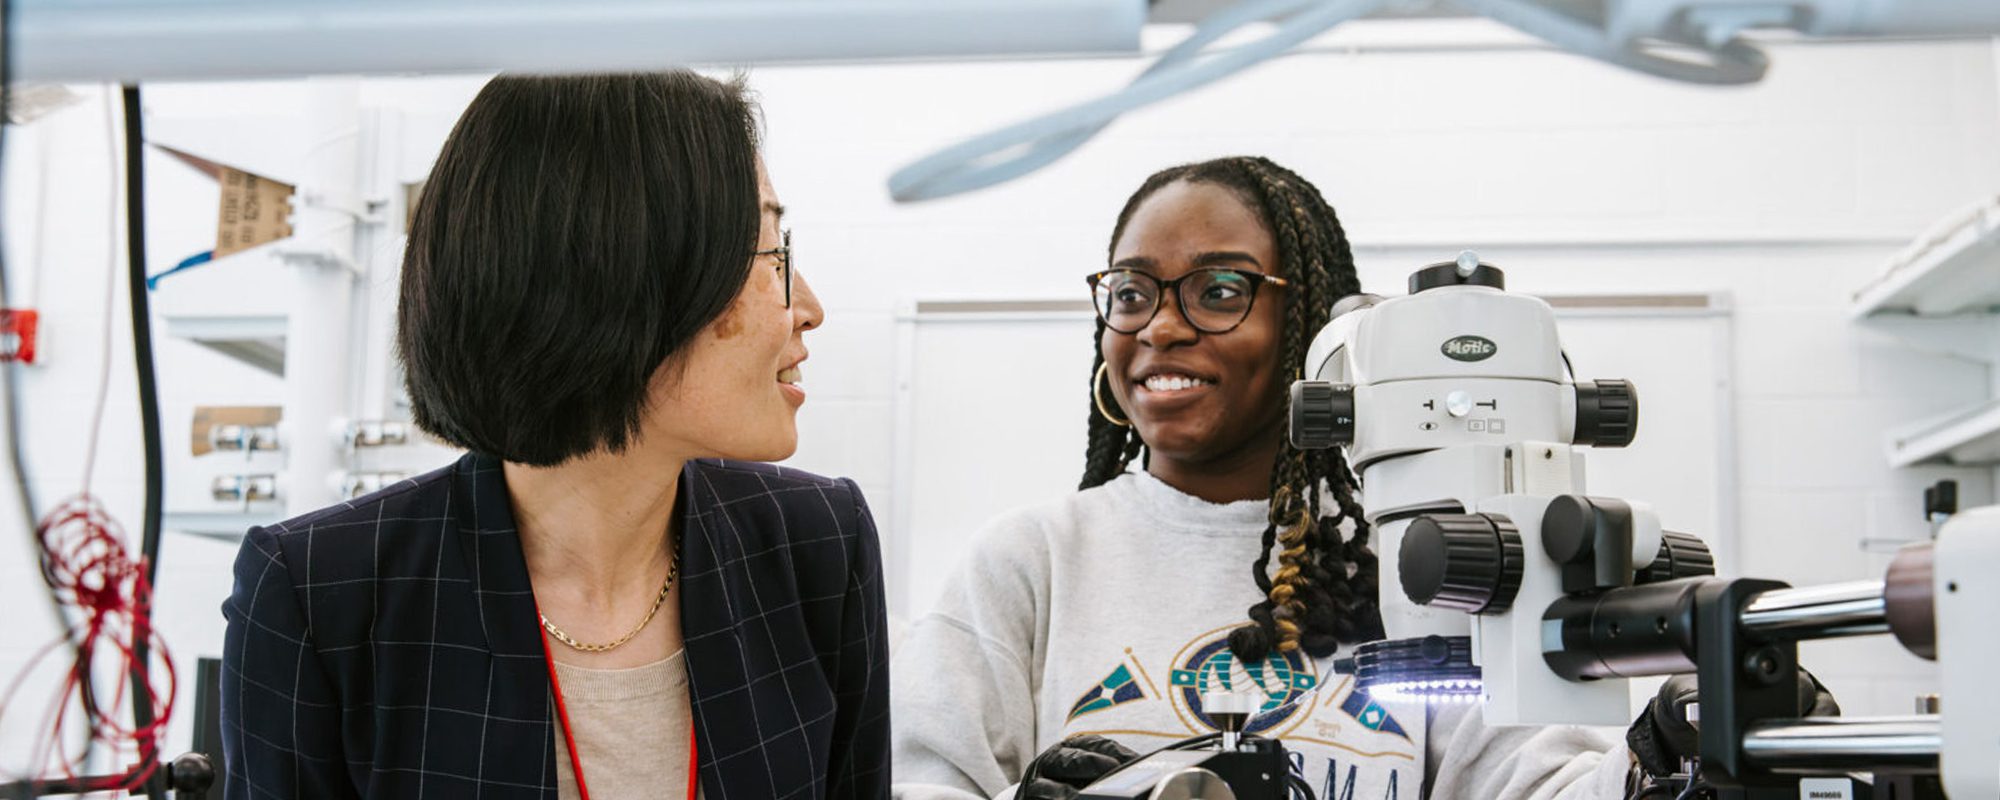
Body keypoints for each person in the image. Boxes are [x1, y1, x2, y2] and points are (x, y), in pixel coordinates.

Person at [892, 156, 1654, 800]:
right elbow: (921, 780)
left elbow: (1540, 785)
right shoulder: (1031, 559)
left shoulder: (1425, 556)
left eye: (1219, 290)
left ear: (1311, 332)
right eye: (1131, 293)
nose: (1159, 326)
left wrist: (1667, 750)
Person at [221, 72, 890, 799]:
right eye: (771, 256)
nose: (809, 308)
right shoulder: (321, 594)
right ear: (624, 275)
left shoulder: (817, 547)